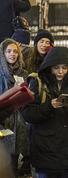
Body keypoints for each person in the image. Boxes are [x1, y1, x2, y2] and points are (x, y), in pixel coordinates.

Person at [20, 47, 68, 177]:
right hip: (45, 151)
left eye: (64, 67)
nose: (61, 71)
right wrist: (49, 106)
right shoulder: (37, 83)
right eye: (56, 67)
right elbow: (28, 113)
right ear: (49, 67)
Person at [0, 39, 29, 177]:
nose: (12, 54)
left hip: (21, 120)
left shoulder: (24, 73)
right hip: (4, 120)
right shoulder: (0, 73)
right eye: (8, 51)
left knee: (16, 157)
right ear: (2, 53)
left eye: (15, 51)